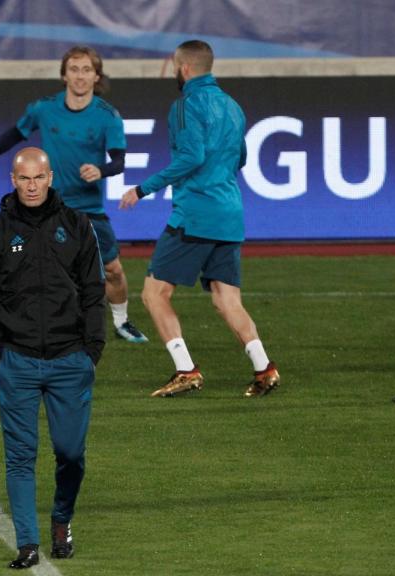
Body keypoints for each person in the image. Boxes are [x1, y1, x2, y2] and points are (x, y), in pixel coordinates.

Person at [119, 39, 279, 399]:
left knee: (153, 294)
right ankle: (264, 368)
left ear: (184, 68)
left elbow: (190, 156)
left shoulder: (185, 105)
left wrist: (142, 189)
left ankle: (186, 370)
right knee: (226, 300)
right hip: (229, 213)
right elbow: (240, 158)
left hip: (196, 215)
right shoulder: (233, 106)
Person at [0, 147, 105, 569]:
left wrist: (91, 351)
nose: (31, 185)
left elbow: (94, 290)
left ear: (50, 178)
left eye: (38, 178)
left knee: (70, 453)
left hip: (71, 361)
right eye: (23, 178)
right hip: (17, 363)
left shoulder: (78, 225)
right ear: (12, 180)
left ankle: (61, 520)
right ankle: (27, 542)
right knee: (20, 456)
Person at [0, 46, 149, 344]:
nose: (80, 76)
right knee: (35, 269)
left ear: (96, 76)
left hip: (89, 209)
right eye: (74, 69)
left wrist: (101, 170)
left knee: (112, 270)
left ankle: (122, 321)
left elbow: (119, 161)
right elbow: (14, 135)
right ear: (64, 75)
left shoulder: (107, 115)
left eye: (86, 70)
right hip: (48, 207)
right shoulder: (43, 108)